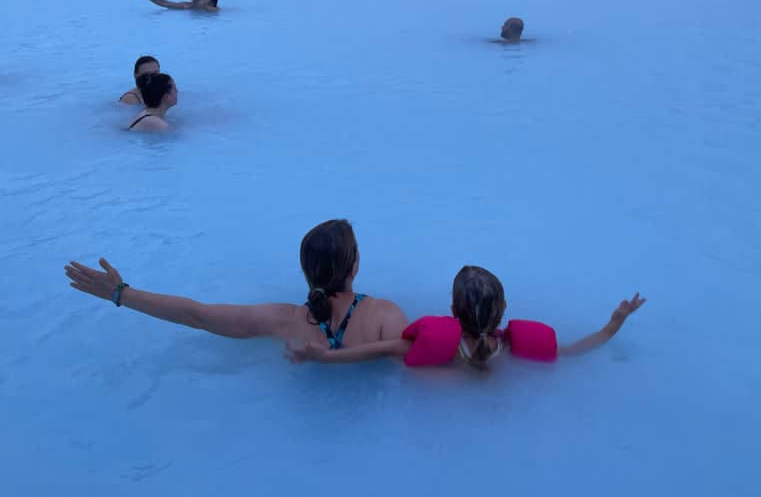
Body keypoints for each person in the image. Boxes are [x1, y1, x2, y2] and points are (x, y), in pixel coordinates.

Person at [64, 219, 408, 351]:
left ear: (305, 271)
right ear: (356, 264)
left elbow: (195, 315)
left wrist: (121, 293)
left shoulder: (282, 320)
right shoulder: (384, 317)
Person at [287, 265, 645, 370]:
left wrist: (325, 355)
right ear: (503, 312)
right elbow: (576, 350)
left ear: (453, 312)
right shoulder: (513, 347)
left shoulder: (434, 344)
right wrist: (612, 325)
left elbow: (376, 351)